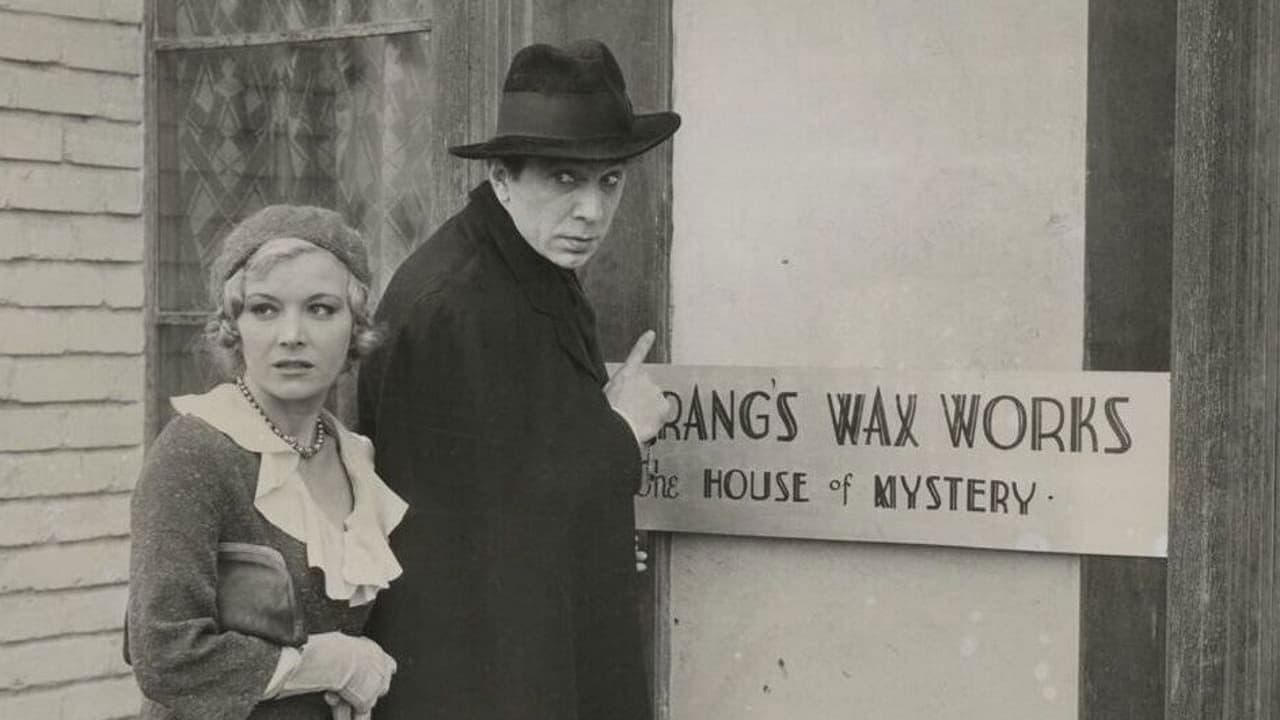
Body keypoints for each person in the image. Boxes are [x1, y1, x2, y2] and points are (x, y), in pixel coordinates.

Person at [358, 39, 679, 720]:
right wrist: (621, 430)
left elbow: (517, 455)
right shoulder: (458, 302)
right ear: (502, 178)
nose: (592, 210)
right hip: (483, 680)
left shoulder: (524, 263)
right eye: (564, 179)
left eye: (610, 181)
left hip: (527, 652)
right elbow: (486, 523)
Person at [127, 206, 408, 720]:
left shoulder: (354, 456)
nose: (292, 335)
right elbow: (165, 654)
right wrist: (333, 663)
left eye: (320, 309)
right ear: (234, 326)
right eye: (264, 309)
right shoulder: (197, 450)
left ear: (355, 325)